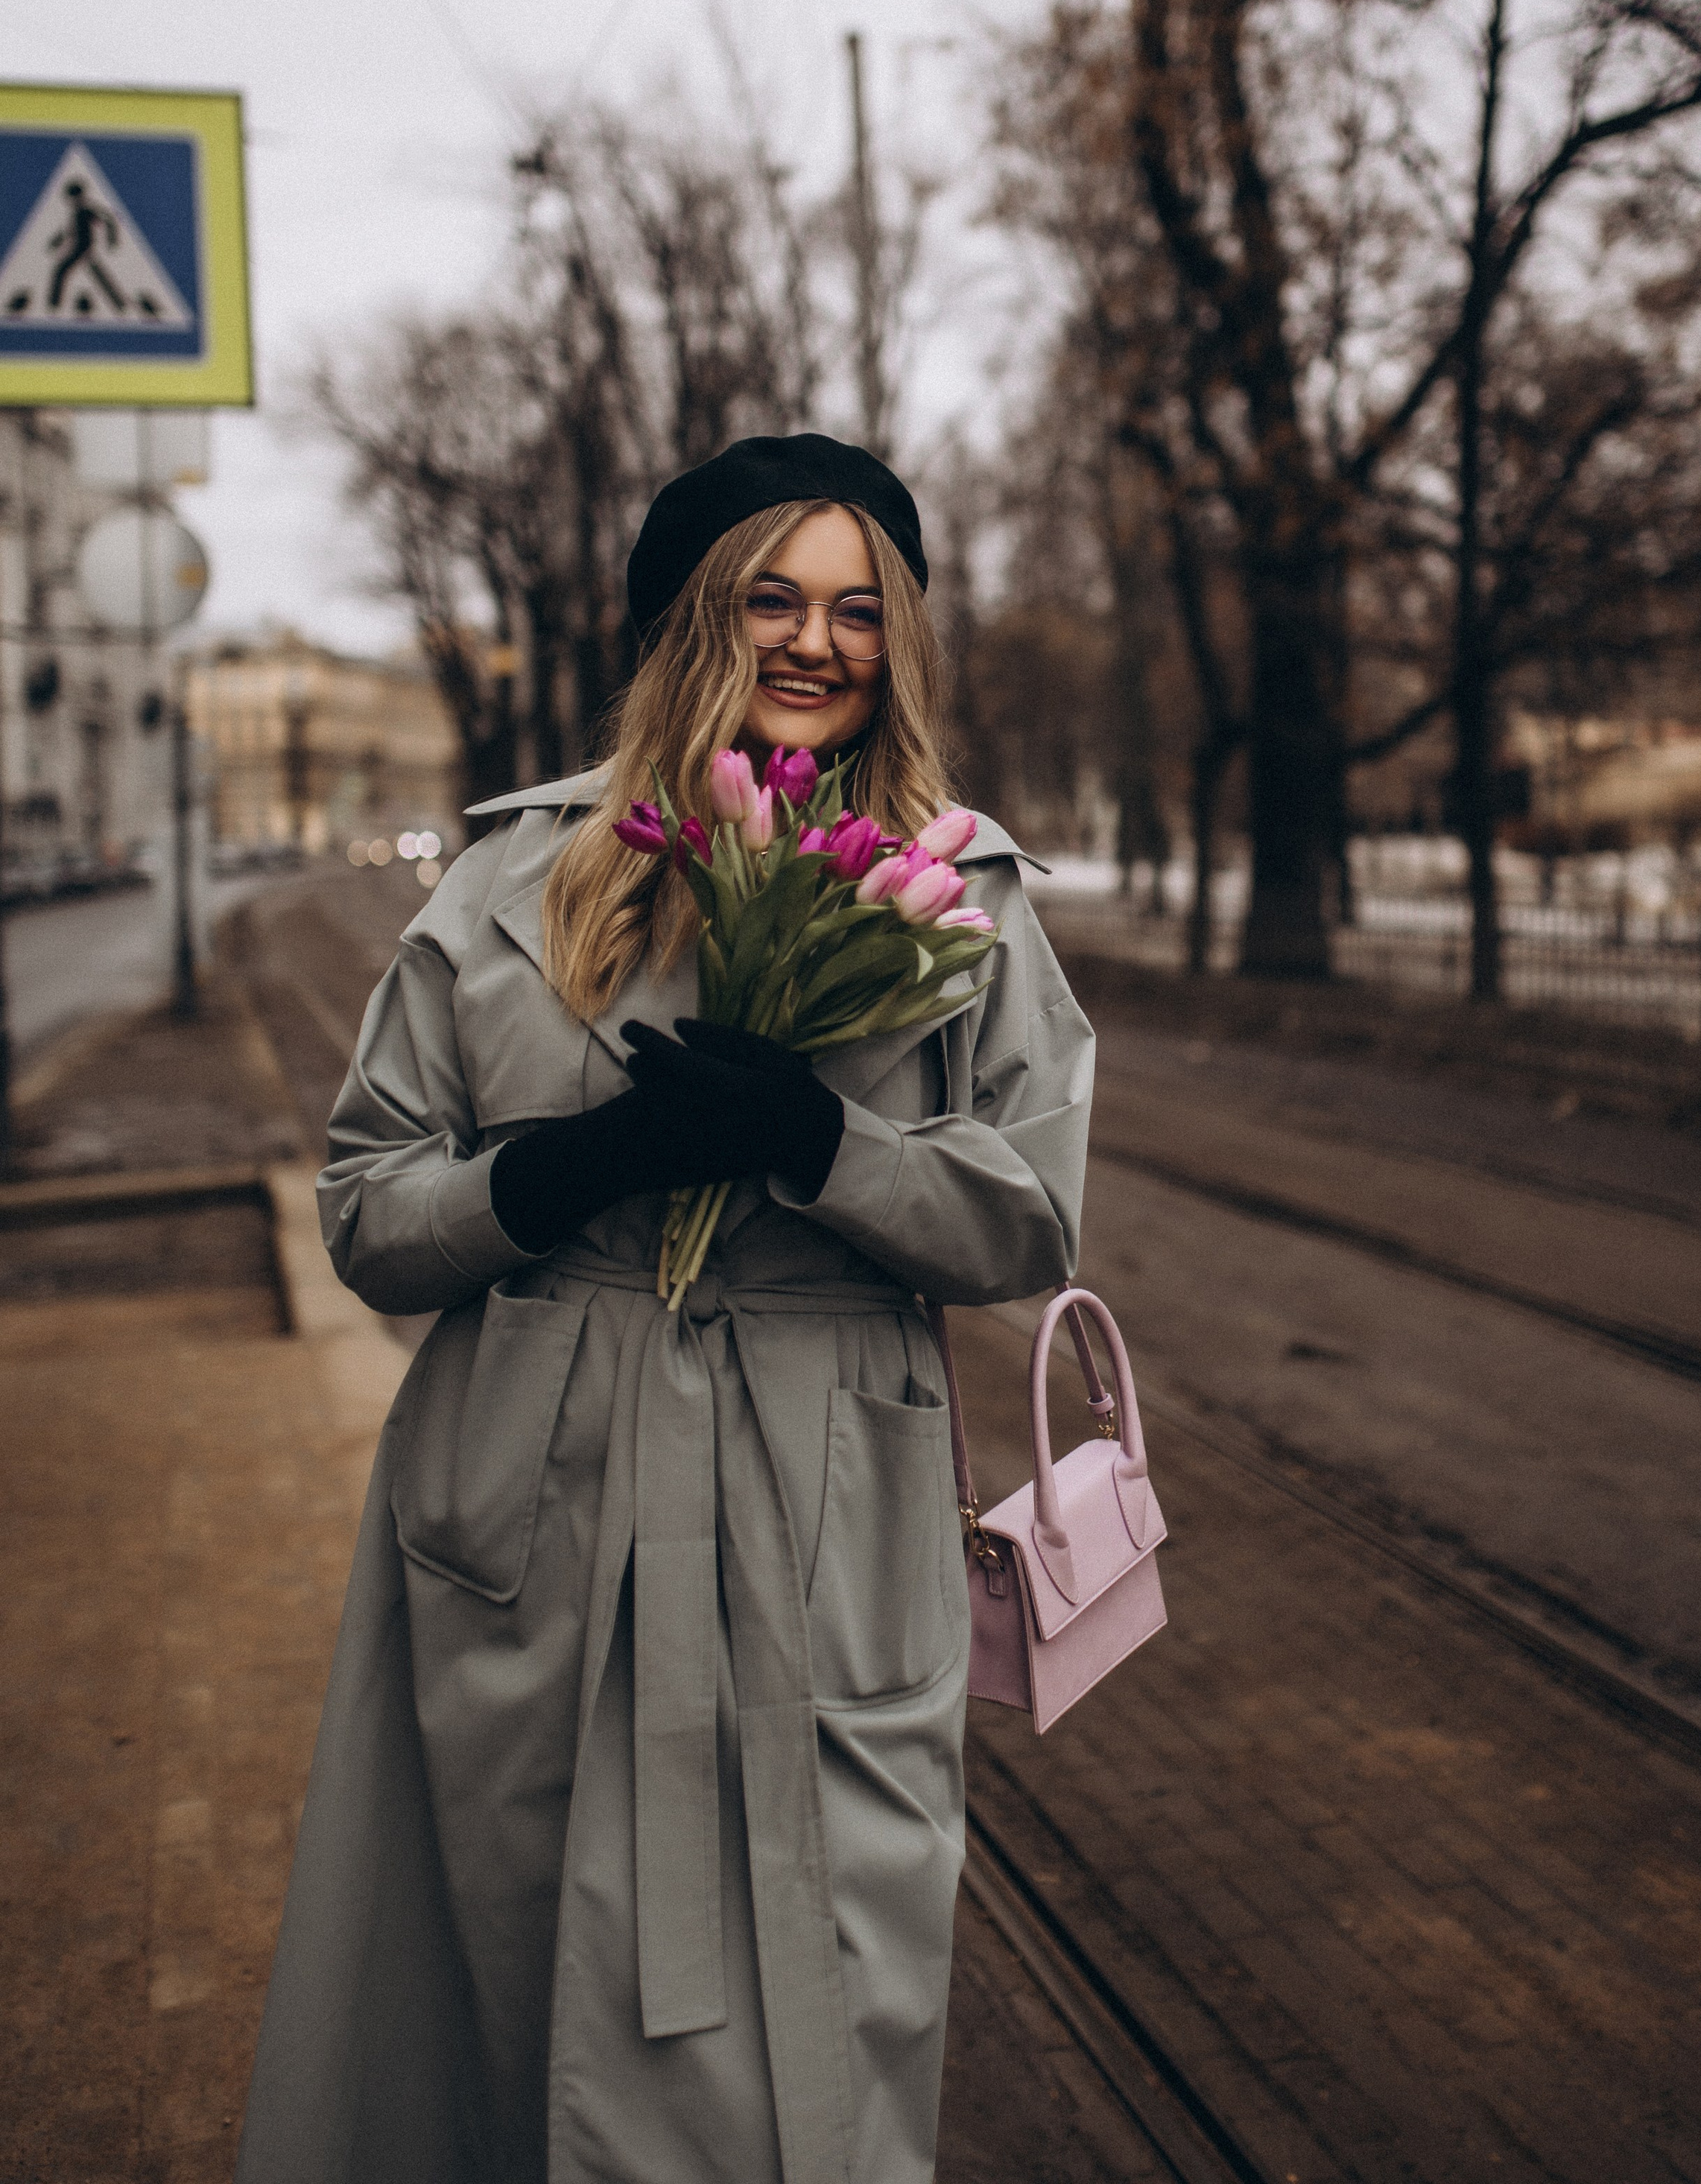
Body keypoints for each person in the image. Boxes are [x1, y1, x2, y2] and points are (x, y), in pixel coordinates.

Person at [236, 431, 1095, 2184]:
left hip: (820, 1509)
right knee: (514, 1973)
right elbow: (367, 1212)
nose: (817, 642)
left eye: (863, 608)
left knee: (828, 1994)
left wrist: (814, 1144)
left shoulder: (958, 894)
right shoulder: (508, 883)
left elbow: (1026, 1221)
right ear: (686, 617)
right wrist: (559, 1177)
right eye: (769, 595)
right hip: (539, 1504)